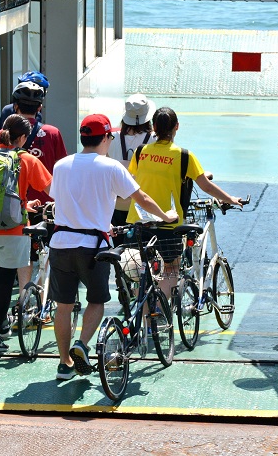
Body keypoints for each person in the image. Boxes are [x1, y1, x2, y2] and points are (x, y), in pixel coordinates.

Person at [48, 114, 177, 380]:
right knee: (96, 301)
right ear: (106, 138)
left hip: (60, 243)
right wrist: (166, 216)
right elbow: (139, 197)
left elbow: (56, 198)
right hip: (93, 246)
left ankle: (64, 364)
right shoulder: (110, 167)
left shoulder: (61, 165)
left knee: (63, 306)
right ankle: (81, 344)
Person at [127, 107, 244, 297]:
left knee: (140, 271)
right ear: (177, 127)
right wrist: (231, 199)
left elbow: (139, 178)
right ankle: (162, 310)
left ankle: (147, 319)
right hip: (169, 223)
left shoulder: (141, 152)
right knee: (171, 268)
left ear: (154, 127)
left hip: (138, 220)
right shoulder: (184, 156)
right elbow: (206, 186)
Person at [0, 114, 52, 354]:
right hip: (13, 229)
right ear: (22, 137)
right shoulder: (26, 160)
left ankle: (2, 325)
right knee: (7, 282)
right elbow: (51, 189)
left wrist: (23, 204)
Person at [0, 80, 67, 297]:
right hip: (46, 207)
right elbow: (60, 170)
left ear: (15, 107)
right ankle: (38, 300)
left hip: (8, 207)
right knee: (43, 254)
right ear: (40, 108)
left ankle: (23, 300)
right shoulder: (52, 133)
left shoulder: (0, 136)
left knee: (21, 256)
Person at [107, 93, 156, 230]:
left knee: (118, 247)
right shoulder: (154, 140)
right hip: (142, 204)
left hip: (117, 204)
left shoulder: (111, 138)